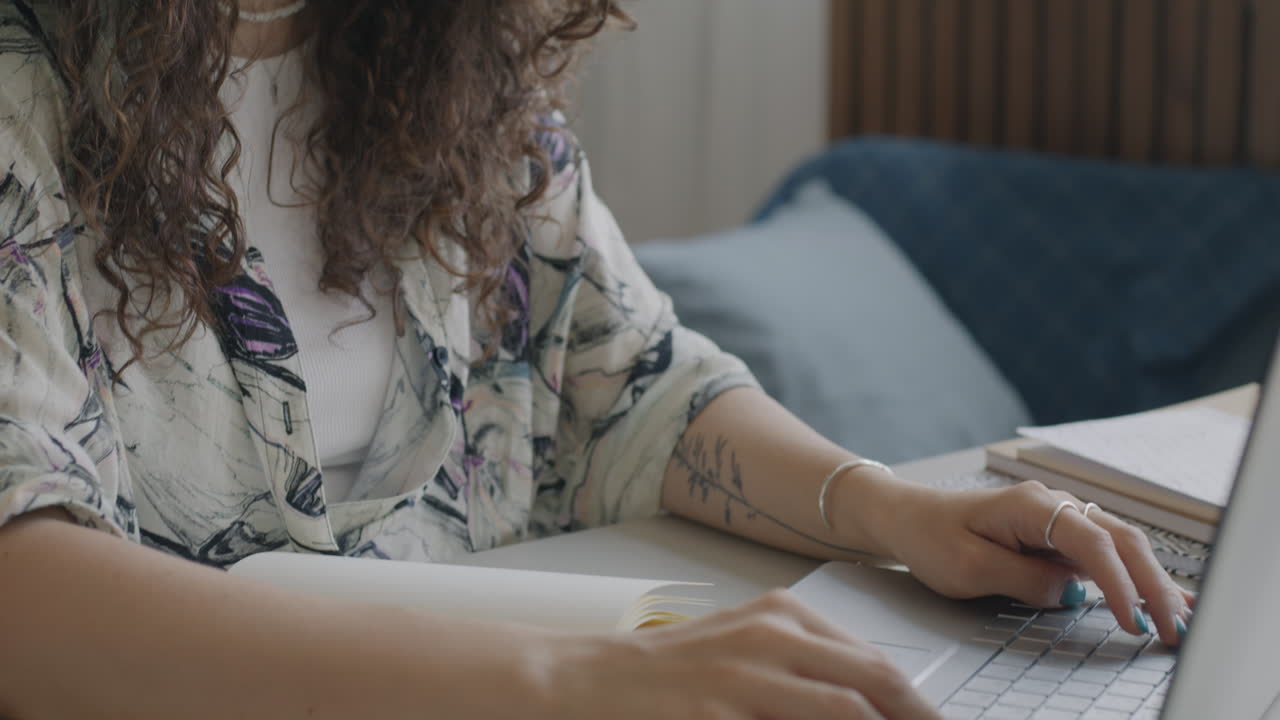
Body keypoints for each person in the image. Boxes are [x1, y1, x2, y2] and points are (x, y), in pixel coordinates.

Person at [0, 1, 1194, 718]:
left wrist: (893, 513)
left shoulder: (442, 58)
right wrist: (568, 685)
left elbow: (632, 383)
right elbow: (26, 599)